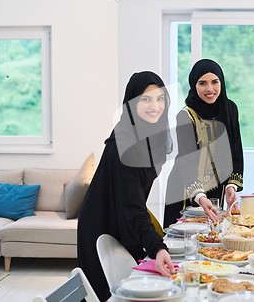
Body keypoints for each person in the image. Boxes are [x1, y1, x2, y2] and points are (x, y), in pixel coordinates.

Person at [77, 71, 175, 301]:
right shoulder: (125, 142)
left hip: (123, 215)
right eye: (145, 99)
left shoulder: (151, 134)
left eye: (160, 98)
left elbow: (133, 200)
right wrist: (157, 247)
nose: (155, 106)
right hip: (102, 223)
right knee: (109, 292)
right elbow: (132, 204)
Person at [164, 59, 243, 227]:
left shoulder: (230, 109)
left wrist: (231, 186)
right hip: (185, 190)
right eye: (202, 83)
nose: (210, 89)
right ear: (194, 85)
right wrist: (200, 196)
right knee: (185, 240)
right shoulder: (186, 116)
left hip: (216, 188)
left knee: (213, 239)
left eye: (215, 82)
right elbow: (187, 160)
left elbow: (236, 151)